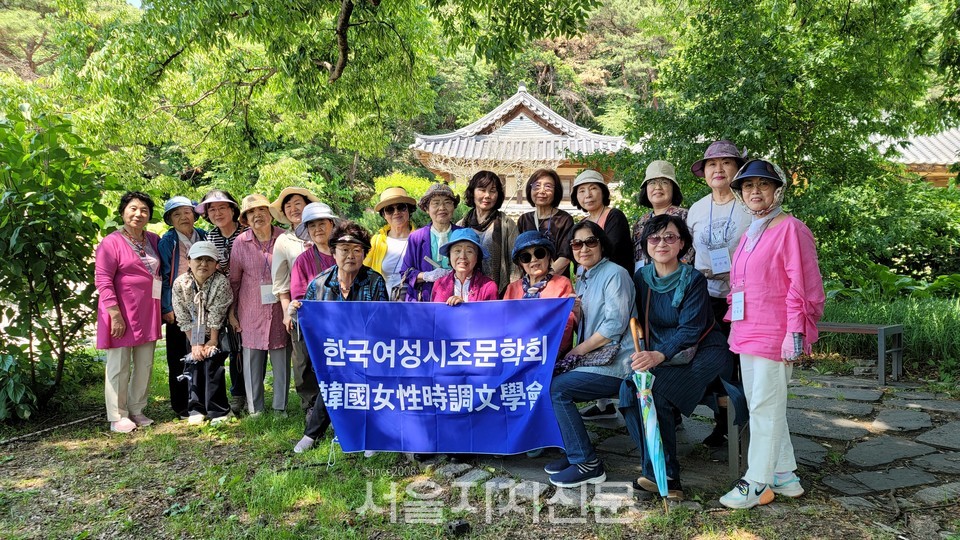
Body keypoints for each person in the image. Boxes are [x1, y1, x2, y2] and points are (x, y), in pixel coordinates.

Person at [719, 159, 825, 509]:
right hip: (747, 330)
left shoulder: (791, 228)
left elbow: (804, 284)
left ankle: (758, 481)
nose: (754, 191)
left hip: (775, 332)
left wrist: (795, 331)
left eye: (762, 185)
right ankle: (784, 475)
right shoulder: (752, 232)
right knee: (763, 403)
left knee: (764, 405)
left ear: (777, 189)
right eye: (748, 186)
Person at [625, 214, 735, 501]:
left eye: (670, 237)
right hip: (663, 355)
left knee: (655, 389)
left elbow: (692, 329)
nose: (662, 243)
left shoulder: (693, 279)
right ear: (645, 244)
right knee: (628, 389)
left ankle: (669, 477)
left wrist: (658, 355)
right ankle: (654, 466)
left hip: (706, 352)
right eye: (654, 238)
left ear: (682, 243)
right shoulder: (641, 278)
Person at [545, 221, 637, 488]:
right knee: (546, 379)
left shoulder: (614, 274)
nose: (583, 248)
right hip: (595, 361)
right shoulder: (584, 277)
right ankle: (571, 452)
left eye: (590, 242)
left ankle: (587, 463)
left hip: (619, 364)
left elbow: (614, 325)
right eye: (577, 243)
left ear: (601, 244)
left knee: (558, 389)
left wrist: (576, 352)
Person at [292, 221, 388, 453]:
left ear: (365, 253)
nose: (351, 256)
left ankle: (369, 436)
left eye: (357, 250)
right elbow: (308, 322)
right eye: (344, 250)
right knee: (332, 383)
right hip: (333, 354)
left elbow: (384, 321)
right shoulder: (320, 284)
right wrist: (295, 311)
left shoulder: (374, 281)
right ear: (333, 252)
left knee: (369, 388)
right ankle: (312, 434)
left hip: (367, 353)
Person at [686, 140, 752, 448]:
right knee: (717, 362)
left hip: (743, 297)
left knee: (742, 361)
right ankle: (723, 423)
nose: (719, 169)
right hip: (706, 296)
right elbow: (687, 252)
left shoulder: (748, 206)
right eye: (712, 164)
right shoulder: (697, 209)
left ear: (737, 168)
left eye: (726, 163)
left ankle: (747, 422)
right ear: (704, 172)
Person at [95, 191, 162, 433]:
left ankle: (136, 408)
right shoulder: (111, 242)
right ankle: (117, 414)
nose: (138, 214)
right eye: (133, 208)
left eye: (144, 210)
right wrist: (113, 313)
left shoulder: (153, 239)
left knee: (145, 363)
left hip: (148, 310)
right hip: (121, 310)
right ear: (123, 212)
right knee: (119, 364)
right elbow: (102, 280)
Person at [228, 194, 290, 416]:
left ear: (270, 213)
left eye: (261, 210)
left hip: (279, 310)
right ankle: (255, 408)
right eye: (251, 213)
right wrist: (232, 313)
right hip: (250, 310)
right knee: (252, 361)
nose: (257, 216)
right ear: (245, 219)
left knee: (281, 360)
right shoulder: (240, 242)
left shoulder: (285, 238)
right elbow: (234, 281)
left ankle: (279, 407)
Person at [195, 189, 247, 415]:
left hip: (245, 298)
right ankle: (217, 399)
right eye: (212, 209)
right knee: (218, 347)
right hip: (216, 300)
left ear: (233, 209)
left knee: (240, 349)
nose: (217, 213)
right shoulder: (208, 237)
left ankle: (241, 395)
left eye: (222, 207)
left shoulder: (246, 233)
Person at [270, 187, 321, 412]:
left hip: (330, 305)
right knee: (302, 360)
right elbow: (280, 280)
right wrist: (286, 312)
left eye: (298, 203)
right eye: (288, 205)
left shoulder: (326, 231)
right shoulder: (283, 240)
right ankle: (310, 406)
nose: (293, 208)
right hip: (300, 306)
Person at [171, 241, 233, 425]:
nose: (203, 264)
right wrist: (195, 344)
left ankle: (219, 409)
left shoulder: (221, 283)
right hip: (192, 331)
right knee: (193, 365)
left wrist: (212, 341)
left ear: (216, 264)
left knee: (213, 365)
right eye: (199, 259)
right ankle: (196, 409)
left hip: (216, 330)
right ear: (189, 261)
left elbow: (217, 313)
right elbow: (181, 315)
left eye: (208, 260)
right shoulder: (180, 283)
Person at [158, 196, 208, 418]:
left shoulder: (204, 236)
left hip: (205, 303)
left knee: (203, 352)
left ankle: (204, 400)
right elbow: (164, 275)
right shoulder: (167, 241)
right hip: (178, 304)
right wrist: (167, 307)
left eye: (187, 212)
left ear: (194, 214)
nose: (183, 217)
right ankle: (181, 405)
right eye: (176, 214)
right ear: (170, 220)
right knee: (179, 355)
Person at [502, 231, 576, 357]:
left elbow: (566, 324)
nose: (534, 260)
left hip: (551, 355)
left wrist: (552, 354)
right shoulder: (512, 288)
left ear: (548, 256)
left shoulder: (562, 283)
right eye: (526, 257)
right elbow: (504, 322)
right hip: (515, 353)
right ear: (520, 263)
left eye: (539, 253)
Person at [457, 171, 519, 295]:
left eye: (492, 191)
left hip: (498, 293)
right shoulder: (461, 225)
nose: (487, 195)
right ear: (472, 192)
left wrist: (512, 293)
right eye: (482, 189)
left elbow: (515, 265)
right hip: (466, 293)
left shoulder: (506, 224)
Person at [400, 183, 463, 302]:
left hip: (457, 300)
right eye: (436, 203)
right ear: (427, 209)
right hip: (423, 302)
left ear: (454, 207)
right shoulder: (416, 237)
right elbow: (405, 273)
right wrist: (426, 276)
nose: (442, 208)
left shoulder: (463, 235)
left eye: (447, 202)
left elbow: (475, 269)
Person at [571, 169, 633, 273]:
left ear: (603, 192)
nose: (588, 195)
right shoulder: (582, 224)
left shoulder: (614, 216)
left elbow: (613, 250)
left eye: (593, 188)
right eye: (582, 191)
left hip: (613, 278)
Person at [631, 160, 691, 269]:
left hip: (677, 279)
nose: (657, 187)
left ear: (673, 188)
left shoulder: (685, 216)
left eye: (664, 182)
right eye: (652, 182)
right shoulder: (640, 222)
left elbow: (689, 253)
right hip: (644, 280)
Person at [516, 169, 575, 277]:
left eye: (548, 186)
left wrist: (545, 277)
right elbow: (518, 254)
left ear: (556, 191)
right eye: (537, 186)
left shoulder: (564, 219)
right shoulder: (524, 220)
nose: (542, 191)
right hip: (529, 284)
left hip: (556, 282)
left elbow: (565, 256)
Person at [364, 186, 418, 295]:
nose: (396, 212)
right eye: (389, 209)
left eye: (401, 207)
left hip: (411, 302)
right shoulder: (376, 241)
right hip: (381, 302)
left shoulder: (421, 239)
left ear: (409, 210)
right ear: (384, 215)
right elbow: (364, 272)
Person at [430, 228, 499, 305]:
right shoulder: (439, 284)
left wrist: (464, 308)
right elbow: (434, 315)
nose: (462, 256)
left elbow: (490, 316)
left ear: (477, 257)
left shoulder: (488, 287)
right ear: (449, 255)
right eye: (457, 251)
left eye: (469, 251)